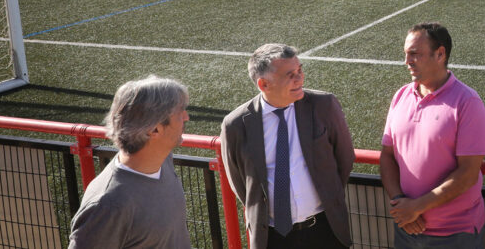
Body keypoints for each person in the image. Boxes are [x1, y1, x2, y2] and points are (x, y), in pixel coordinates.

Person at [221, 44, 355, 249]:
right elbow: (240, 183)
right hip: (273, 238)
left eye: (300, 70)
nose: (299, 78)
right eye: (290, 74)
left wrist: (330, 194)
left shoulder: (323, 105)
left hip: (325, 230)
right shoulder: (236, 125)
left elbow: (344, 158)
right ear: (264, 84)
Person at [381, 23, 485, 249]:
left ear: (440, 54)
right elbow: (387, 156)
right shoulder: (401, 96)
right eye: (406, 54)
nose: (407, 61)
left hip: (455, 235)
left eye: (415, 54)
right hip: (407, 229)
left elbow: (468, 173)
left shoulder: (468, 103)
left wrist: (417, 207)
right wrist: (402, 204)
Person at [68, 76, 191, 249]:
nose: (186, 117)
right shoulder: (108, 205)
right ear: (154, 129)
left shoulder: (163, 161)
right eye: (180, 111)